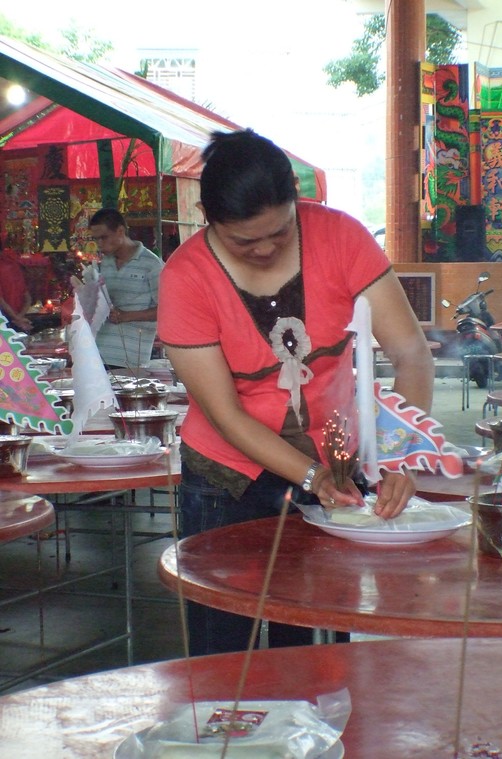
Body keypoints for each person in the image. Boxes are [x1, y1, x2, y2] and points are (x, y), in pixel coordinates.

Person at [157, 129, 434, 655]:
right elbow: (226, 416)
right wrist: (311, 477)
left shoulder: (341, 237)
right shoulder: (185, 277)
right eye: (243, 241)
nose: (264, 249)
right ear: (206, 215)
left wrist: (399, 454)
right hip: (227, 478)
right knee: (223, 640)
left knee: (315, 645)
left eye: (280, 232)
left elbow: (411, 354)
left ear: (297, 200)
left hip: (335, 457)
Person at [89, 208, 164, 370]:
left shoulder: (152, 264)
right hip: (98, 352)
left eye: (104, 237)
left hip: (130, 358)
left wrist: (126, 316)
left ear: (120, 231)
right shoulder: (105, 263)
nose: (99, 244)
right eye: (96, 239)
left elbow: (167, 310)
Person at [0, 247, 33, 333]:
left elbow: (2, 302)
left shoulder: (8, 265)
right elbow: (28, 298)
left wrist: (17, 319)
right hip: (15, 316)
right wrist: (19, 318)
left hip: (7, 318)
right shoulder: (14, 264)